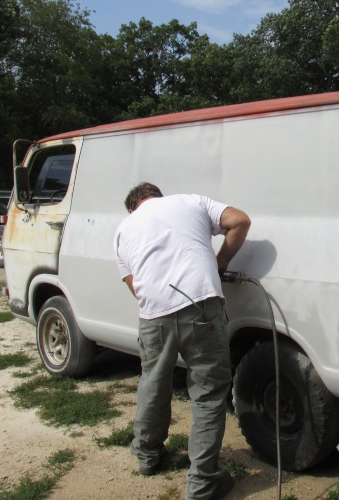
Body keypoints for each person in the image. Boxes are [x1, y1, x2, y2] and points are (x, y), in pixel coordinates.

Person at [114, 182, 250, 500]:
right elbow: (240, 221)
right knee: (208, 394)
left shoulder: (123, 229)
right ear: (157, 196)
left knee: (154, 383)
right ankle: (202, 483)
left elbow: (135, 286)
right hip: (201, 303)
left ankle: (148, 457)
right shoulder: (191, 201)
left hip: (154, 316)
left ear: (133, 206)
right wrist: (221, 261)